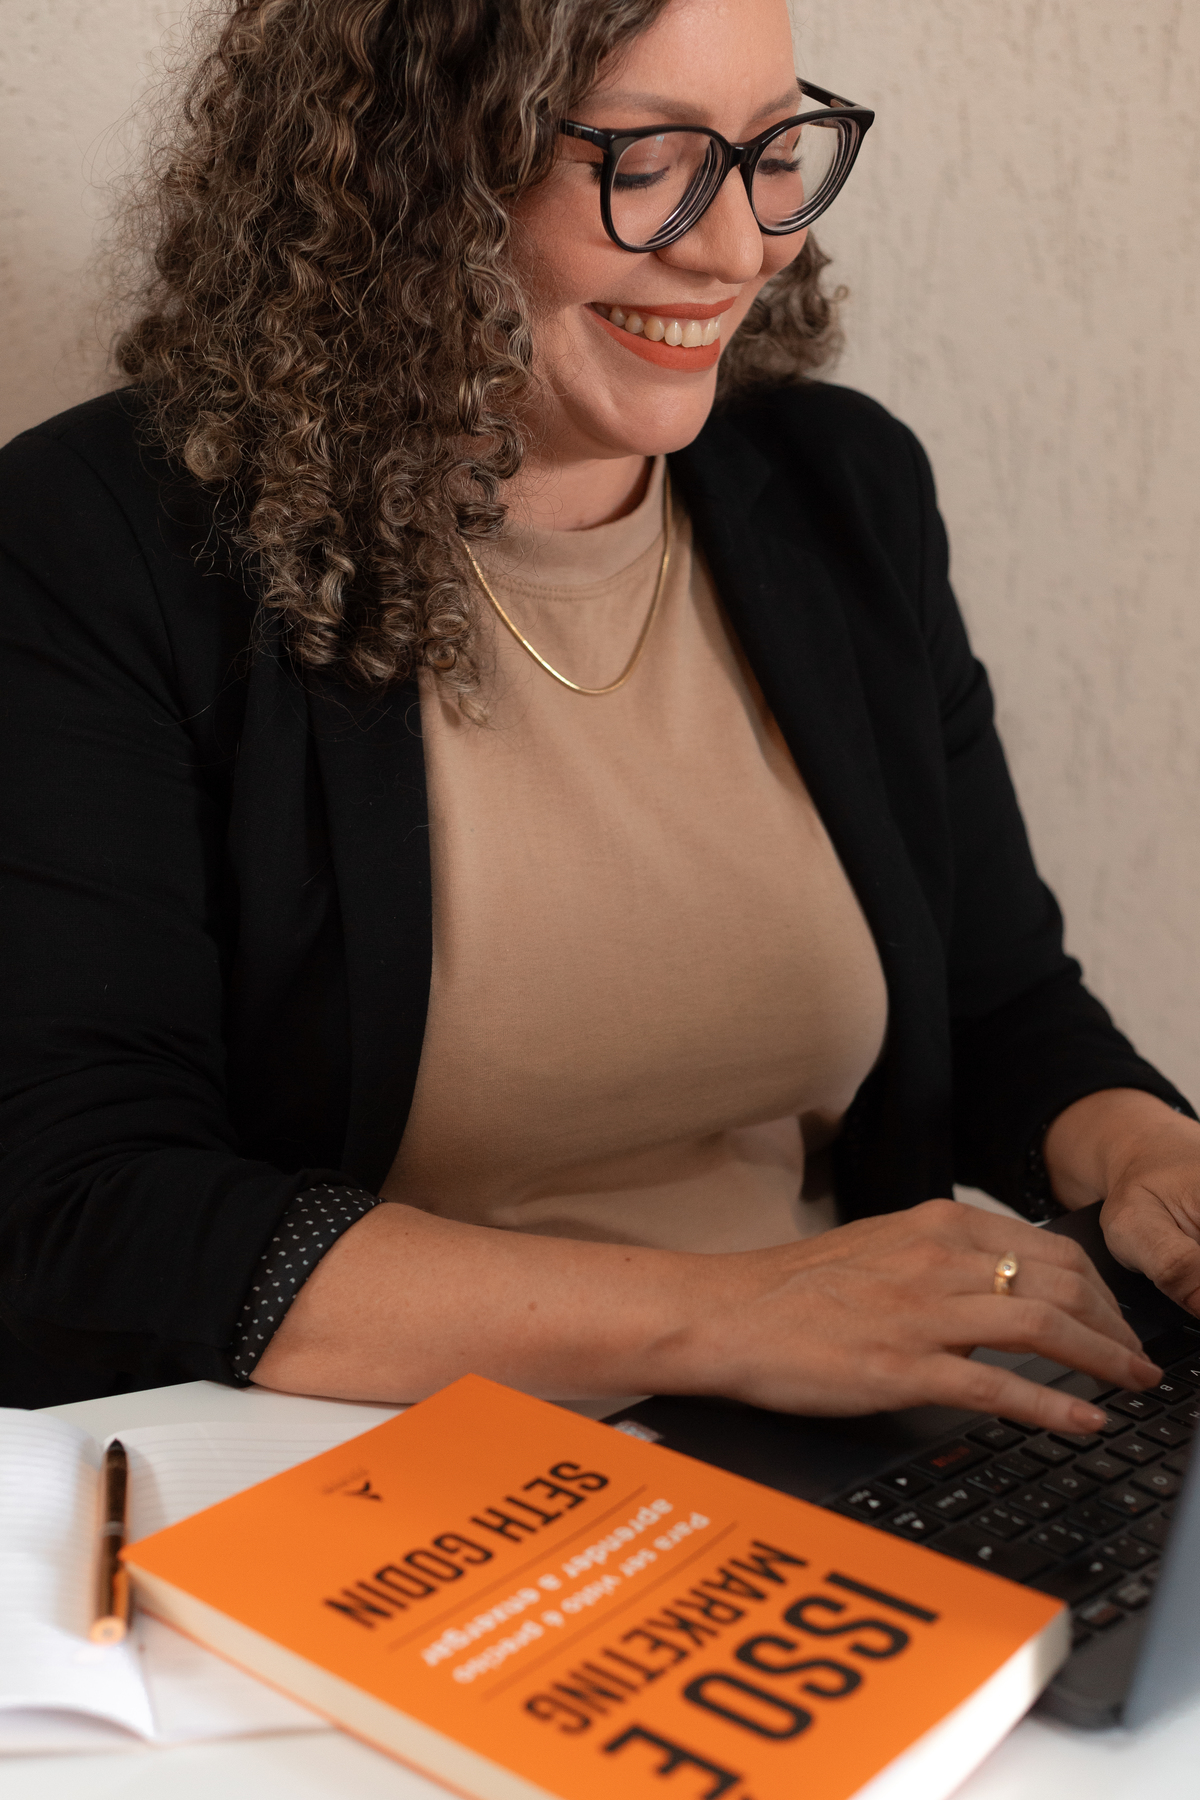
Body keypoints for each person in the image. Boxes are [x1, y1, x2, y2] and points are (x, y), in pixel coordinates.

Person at [2, 0, 1199, 1423]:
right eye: (647, 161)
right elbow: (89, 1202)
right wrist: (732, 1319)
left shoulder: (846, 493)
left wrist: (1144, 1154)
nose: (741, 248)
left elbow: (995, 1002)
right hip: (384, 1468)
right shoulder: (98, 545)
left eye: (773, 151)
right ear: (412, 167)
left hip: (842, 1435)